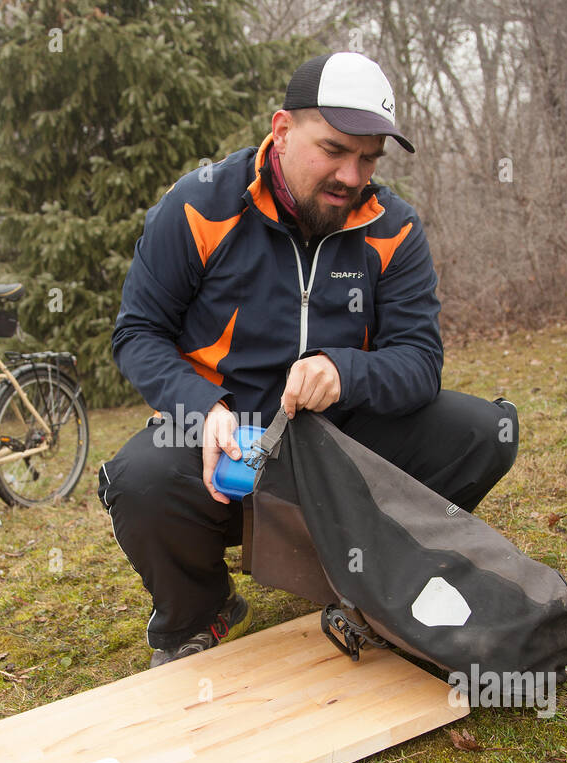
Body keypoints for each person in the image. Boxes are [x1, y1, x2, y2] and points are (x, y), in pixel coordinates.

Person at [98, 51, 519, 667]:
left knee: (484, 431)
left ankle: (371, 576)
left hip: (340, 443)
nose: (352, 175)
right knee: (142, 477)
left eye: (368, 157)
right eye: (334, 149)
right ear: (283, 129)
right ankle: (204, 612)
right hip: (231, 446)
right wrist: (200, 407)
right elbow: (138, 333)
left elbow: (420, 363)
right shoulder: (201, 205)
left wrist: (343, 370)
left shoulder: (393, 227)